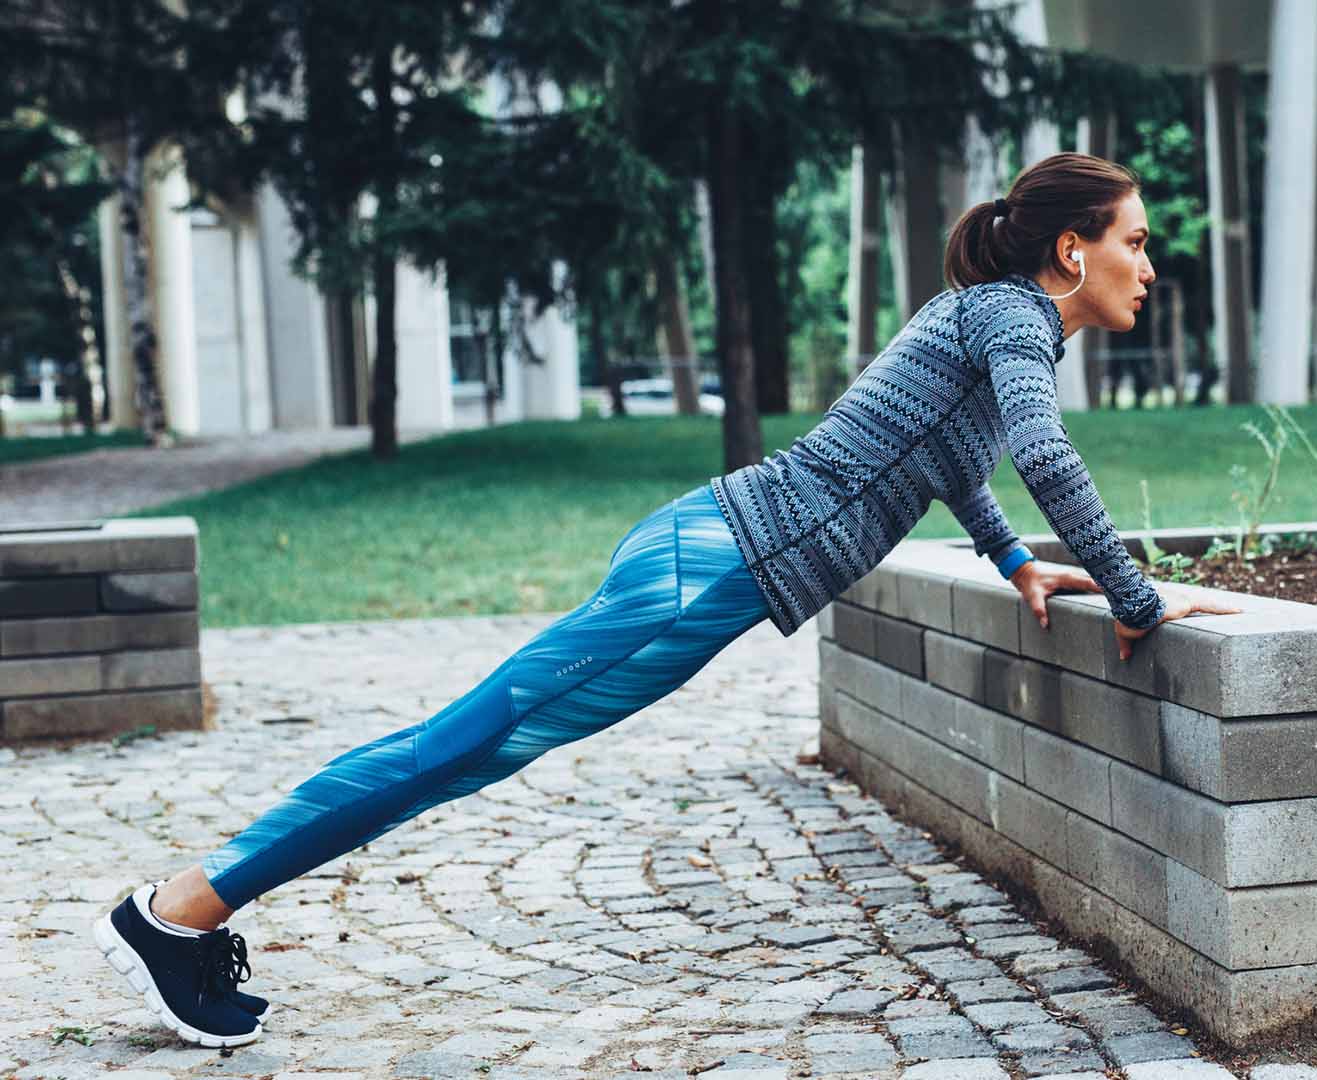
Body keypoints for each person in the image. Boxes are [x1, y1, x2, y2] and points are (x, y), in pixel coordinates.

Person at [92, 151, 1240, 1047]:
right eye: (1136, 242)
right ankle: (184, 908)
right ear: (1073, 250)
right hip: (705, 568)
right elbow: (1044, 454)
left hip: (709, 562)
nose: (1150, 264)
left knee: (477, 753)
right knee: (458, 744)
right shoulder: (1011, 319)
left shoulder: (998, 320)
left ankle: (197, 908)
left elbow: (946, 457)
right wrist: (1137, 598)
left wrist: (1014, 563)